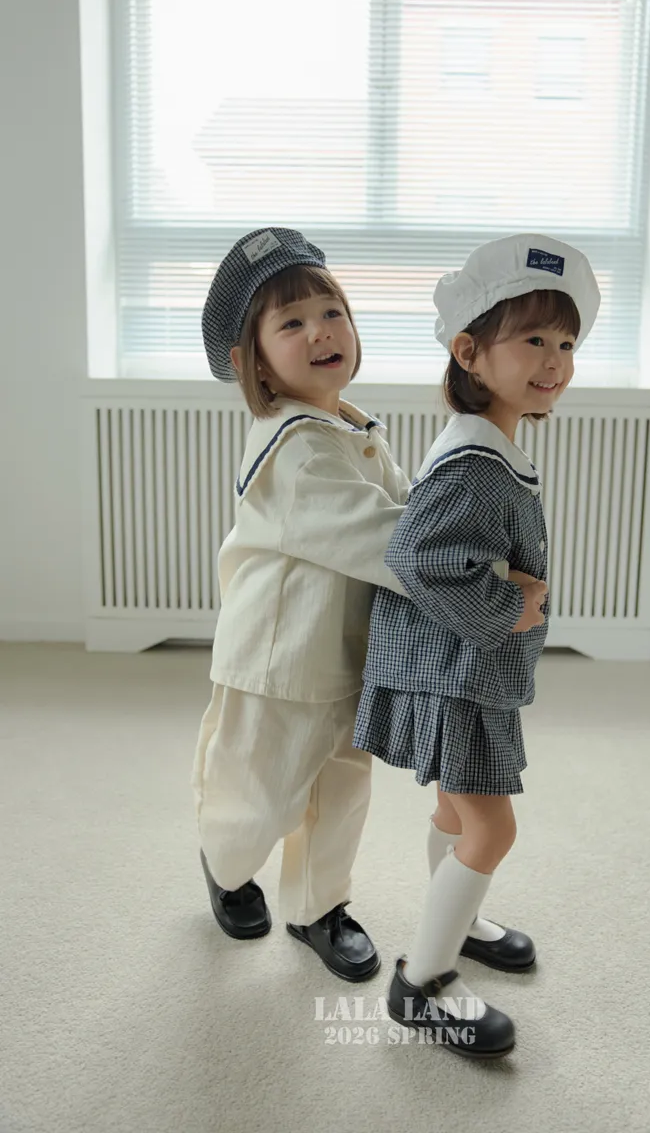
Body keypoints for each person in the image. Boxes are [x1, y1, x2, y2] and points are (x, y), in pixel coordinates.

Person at [354, 234, 601, 1056]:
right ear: (470, 352)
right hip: (455, 672)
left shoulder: (488, 442)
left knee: (455, 812)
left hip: (460, 668)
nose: (555, 360)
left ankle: (451, 925)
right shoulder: (473, 461)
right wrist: (510, 606)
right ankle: (420, 983)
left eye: (566, 342)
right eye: (533, 339)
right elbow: (418, 557)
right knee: (492, 831)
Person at [191, 227, 411, 982]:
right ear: (252, 362)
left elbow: (405, 504)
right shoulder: (295, 449)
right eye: (291, 323)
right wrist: (474, 569)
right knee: (257, 793)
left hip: (347, 656)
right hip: (278, 664)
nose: (320, 331)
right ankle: (224, 863)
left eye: (331, 312)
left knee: (341, 790)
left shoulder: (352, 426)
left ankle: (321, 907)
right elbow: (383, 535)